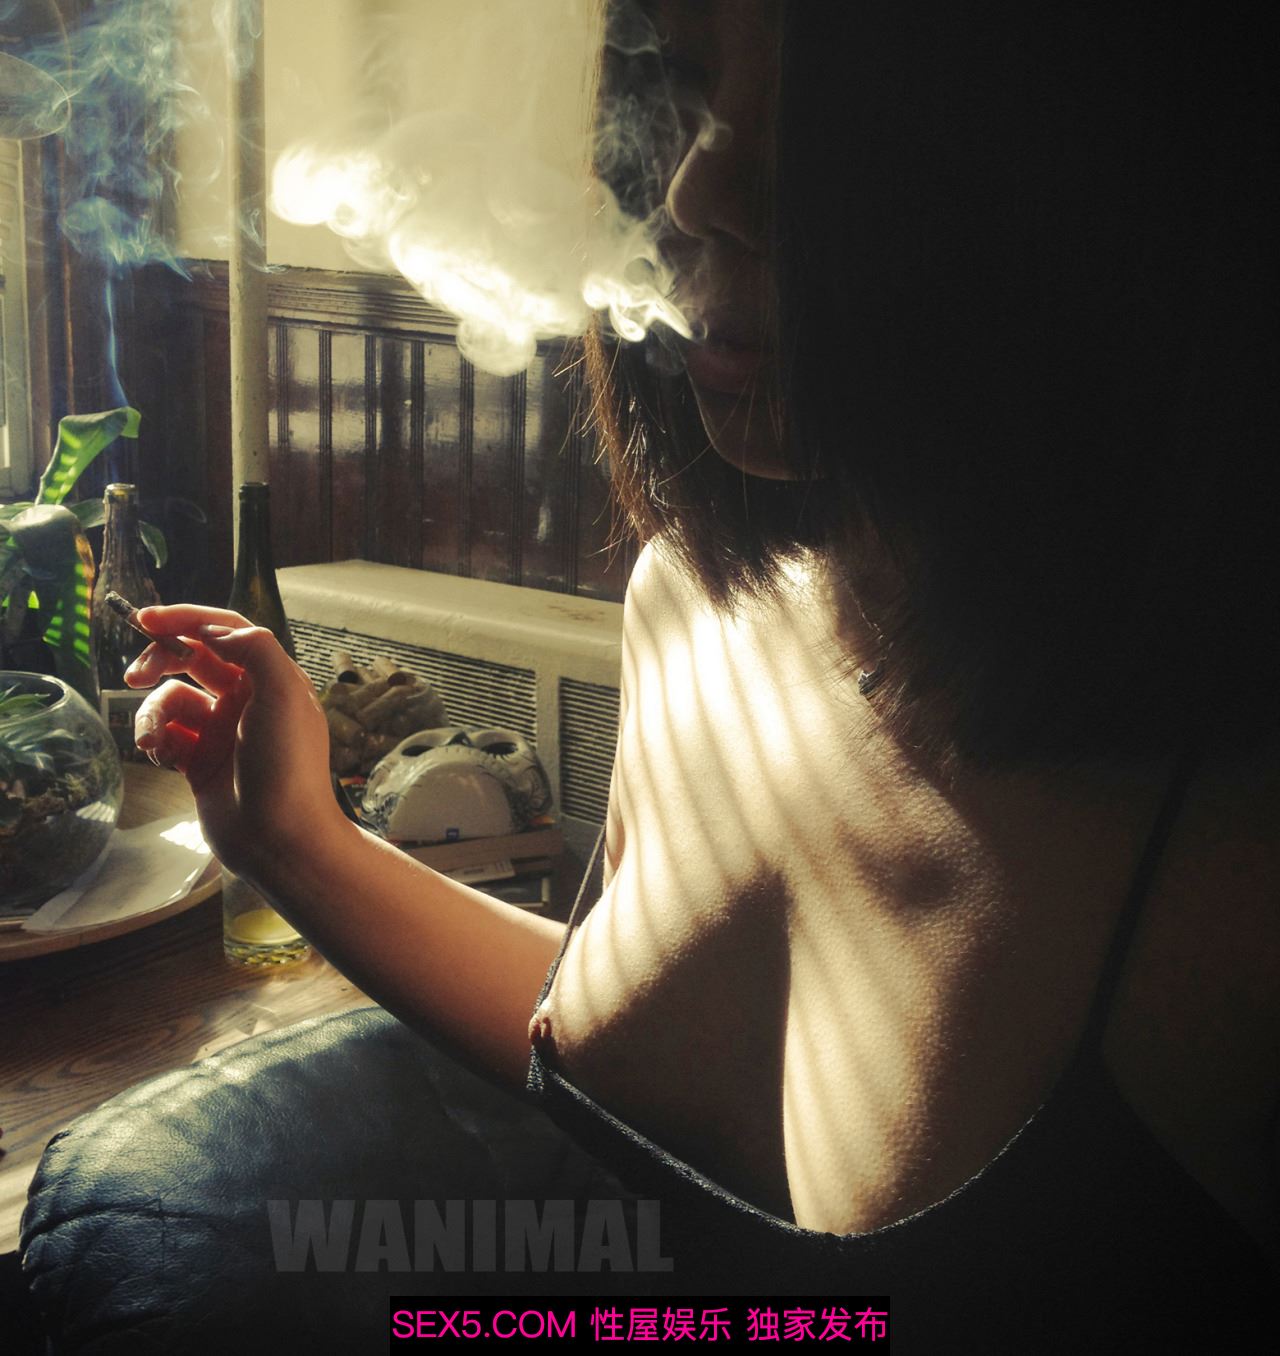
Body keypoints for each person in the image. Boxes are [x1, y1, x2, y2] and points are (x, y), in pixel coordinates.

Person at [125, 0, 1276, 1345]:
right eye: (675, 81)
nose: (694, 190)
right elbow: (613, 1049)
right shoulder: (687, 603)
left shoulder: (1228, 843)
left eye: (831, 124)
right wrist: (295, 839)